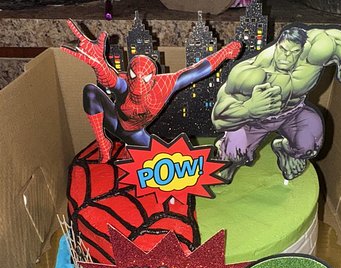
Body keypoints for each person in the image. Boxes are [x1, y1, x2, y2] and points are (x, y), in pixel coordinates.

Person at [62, 19, 242, 162]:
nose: (139, 84)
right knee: (90, 91)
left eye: (145, 78)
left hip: (136, 135)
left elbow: (197, 71)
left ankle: (130, 148)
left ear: (153, 78)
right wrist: (100, 66)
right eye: (134, 76)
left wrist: (225, 52)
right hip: (114, 122)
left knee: (169, 162)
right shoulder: (124, 83)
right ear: (129, 75)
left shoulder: (165, 85)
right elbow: (110, 79)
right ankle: (104, 144)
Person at [212, 25, 341, 180]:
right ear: (277, 46)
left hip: (292, 113)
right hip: (254, 121)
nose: (287, 57)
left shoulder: (316, 50)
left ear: (302, 49)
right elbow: (219, 117)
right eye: (283, 50)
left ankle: (286, 150)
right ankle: (226, 152)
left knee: (310, 146)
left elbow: (340, 42)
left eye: (294, 52)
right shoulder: (252, 73)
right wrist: (248, 110)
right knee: (235, 154)